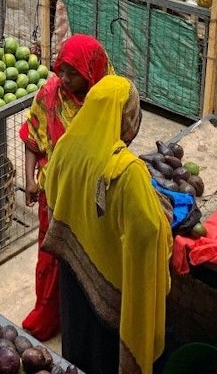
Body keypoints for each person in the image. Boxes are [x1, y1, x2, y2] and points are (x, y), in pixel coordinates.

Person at [40, 76, 172, 374]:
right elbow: (148, 231)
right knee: (104, 356)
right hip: (110, 289)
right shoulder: (126, 172)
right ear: (127, 119)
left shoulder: (65, 146)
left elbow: (53, 190)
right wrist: (163, 214)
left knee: (77, 342)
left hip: (73, 272)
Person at [19, 34, 113, 341]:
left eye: (73, 73)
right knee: (51, 257)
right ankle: (47, 316)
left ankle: (81, 319)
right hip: (54, 196)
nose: (64, 78)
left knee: (86, 263)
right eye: (62, 69)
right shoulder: (49, 94)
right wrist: (31, 179)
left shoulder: (108, 101)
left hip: (90, 199)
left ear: (92, 72)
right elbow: (32, 137)